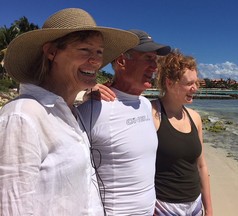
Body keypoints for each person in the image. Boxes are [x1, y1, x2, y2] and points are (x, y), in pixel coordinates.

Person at [0, 8, 138, 215]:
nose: (96, 61)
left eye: (99, 52)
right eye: (85, 50)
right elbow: (12, 207)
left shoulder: (71, 112)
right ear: (52, 52)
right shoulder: (22, 117)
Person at [77, 29, 171, 215]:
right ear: (121, 61)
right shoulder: (94, 108)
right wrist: (85, 92)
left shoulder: (145, 105)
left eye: (155, 60)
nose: (155, 67)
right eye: (148, 58)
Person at [151, 50, 213, 216]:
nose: (195, 88)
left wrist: (209, 209)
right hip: (164, 207)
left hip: (195, 205)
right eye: (189, 84)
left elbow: (201, 165)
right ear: (169, 83)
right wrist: (96, 90)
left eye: (197, 83)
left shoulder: (195, 118)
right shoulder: (151, 113)